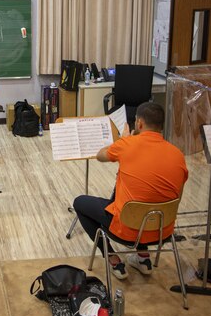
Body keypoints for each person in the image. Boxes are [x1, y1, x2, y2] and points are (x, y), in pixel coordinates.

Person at [72, 102, 188, 279]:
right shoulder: (178, 154)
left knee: (79, 202)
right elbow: (176, 197)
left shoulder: (127, 144)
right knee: (147, 195)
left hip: (127, 229)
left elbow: (100, 156)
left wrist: (123, 140)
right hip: (162, 230)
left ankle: (112, 258)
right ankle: (143, 258)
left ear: (139, 123)